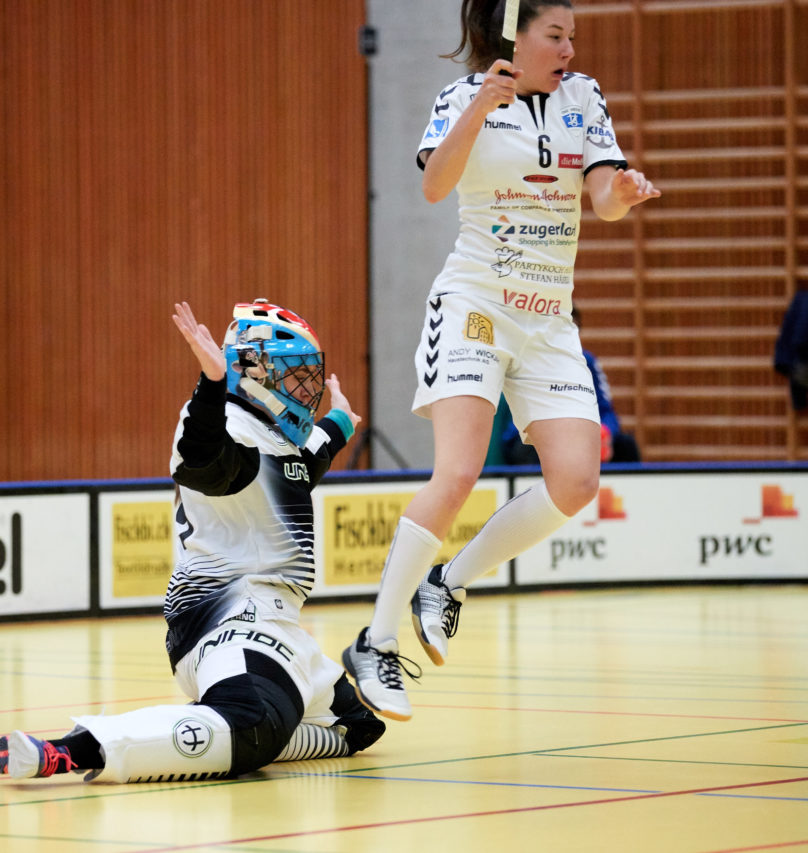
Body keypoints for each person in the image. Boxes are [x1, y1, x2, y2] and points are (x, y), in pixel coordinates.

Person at [341, 0, 661, 721]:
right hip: (477, 303)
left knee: (577, 480)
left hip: (549, 318)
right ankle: (375, 641)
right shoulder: (463, 96)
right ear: (517, 34)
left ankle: (447, 582)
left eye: (573, 36)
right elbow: (432, 185)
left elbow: (603, 196)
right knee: (458, 472)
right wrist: (481, 106)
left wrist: (626, 191)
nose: (570, 48)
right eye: (556, 34)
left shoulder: (585, 98)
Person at [0, 299, 385, 782]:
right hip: (230, 623)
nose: (306, 390)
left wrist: (341, 422)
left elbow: (305, 462)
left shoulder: (273, 436)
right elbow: (202, 459)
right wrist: (211, 382)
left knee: (358, 727)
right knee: (252, 725)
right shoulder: (224, 425)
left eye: (309, 376)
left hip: (279, 626)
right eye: (295, 375)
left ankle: (235, 730)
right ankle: (76, 748)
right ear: (255, 370)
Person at [499, 306, 640, 465]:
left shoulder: (588, 362)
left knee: (626, 446)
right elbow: (521, 418)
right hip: (535, 437)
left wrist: (605, 431)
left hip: (579, 434)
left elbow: (606, 410)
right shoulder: (529, 360)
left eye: (572, 329)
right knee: (529, 450)